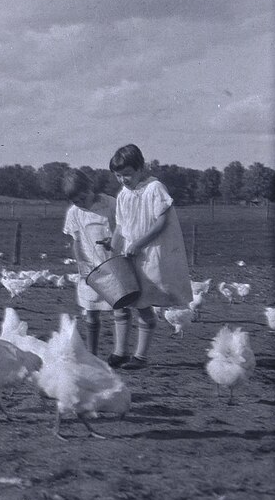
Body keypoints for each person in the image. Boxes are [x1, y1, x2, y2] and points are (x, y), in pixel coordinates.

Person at [108, 144, 193, 370]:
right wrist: (112, 251)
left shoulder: (155, 188)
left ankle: (140, 357)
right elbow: (120, 226)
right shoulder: (123, 195)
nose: (123, 179)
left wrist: (139, 243)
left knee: (143, 301)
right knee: (126, 299)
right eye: (118, 175)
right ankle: (119, 352)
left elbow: (162, 222)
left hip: (150, 254)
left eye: (127, 174)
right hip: (130, 254)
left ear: (140, 169)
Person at [62, 168, 117, 359]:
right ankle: (92, 354)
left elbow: (122, 229)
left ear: (91, 188)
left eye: (83, 198)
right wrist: (81, 264)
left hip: (113, 263)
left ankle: (120, 352)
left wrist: (116, 243)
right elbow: (76, 241)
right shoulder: (74, 213)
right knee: (91, 311)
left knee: (119, 310)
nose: (81, 203)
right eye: (76, 201)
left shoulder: (110, 204)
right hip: (90, 267)